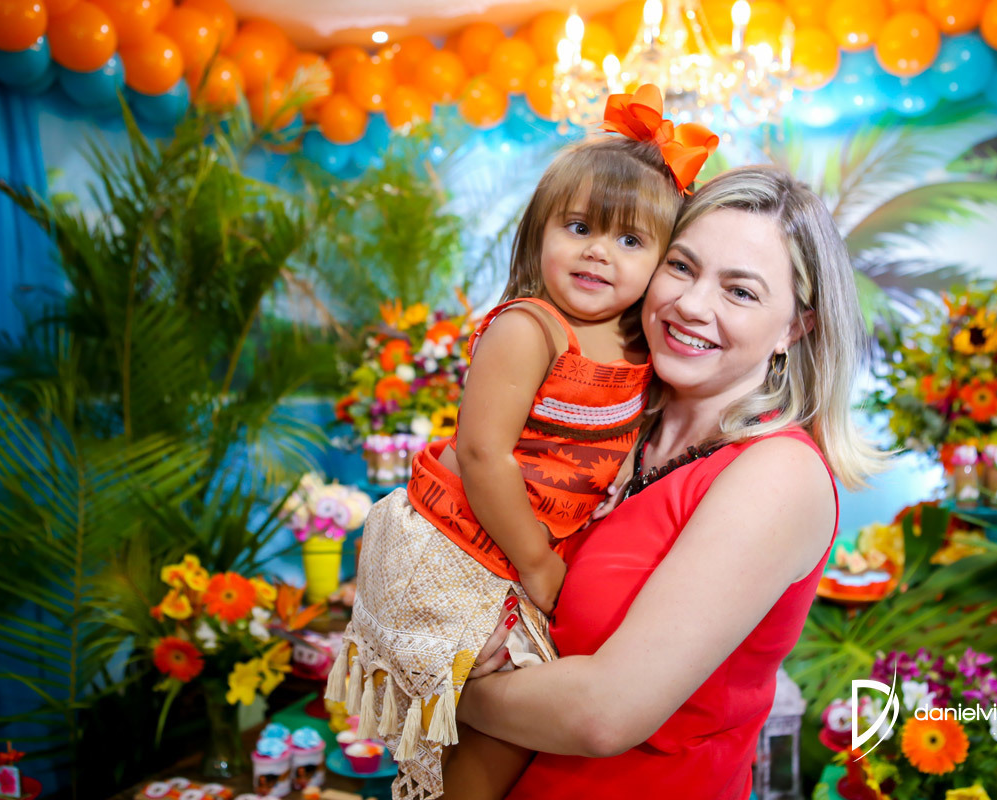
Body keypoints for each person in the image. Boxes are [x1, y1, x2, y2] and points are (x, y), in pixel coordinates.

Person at [325, 85, 719, 800]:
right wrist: (538, 566)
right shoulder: (529, 327)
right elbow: (483, 453)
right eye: (580, 227)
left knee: (508, 734)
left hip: (518, 548)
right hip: (460, 542)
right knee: (495, 727)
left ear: (664, 263)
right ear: (541, 230)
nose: (599, 252)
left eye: (631, 241)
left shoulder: (641, 344)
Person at [453, 165, 890, 799]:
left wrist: (443, 689)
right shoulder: (617, 425)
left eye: (740, 292)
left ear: (796, 327)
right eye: (681, 267)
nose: (690, 304)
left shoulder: (777, 474)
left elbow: (604, 714)